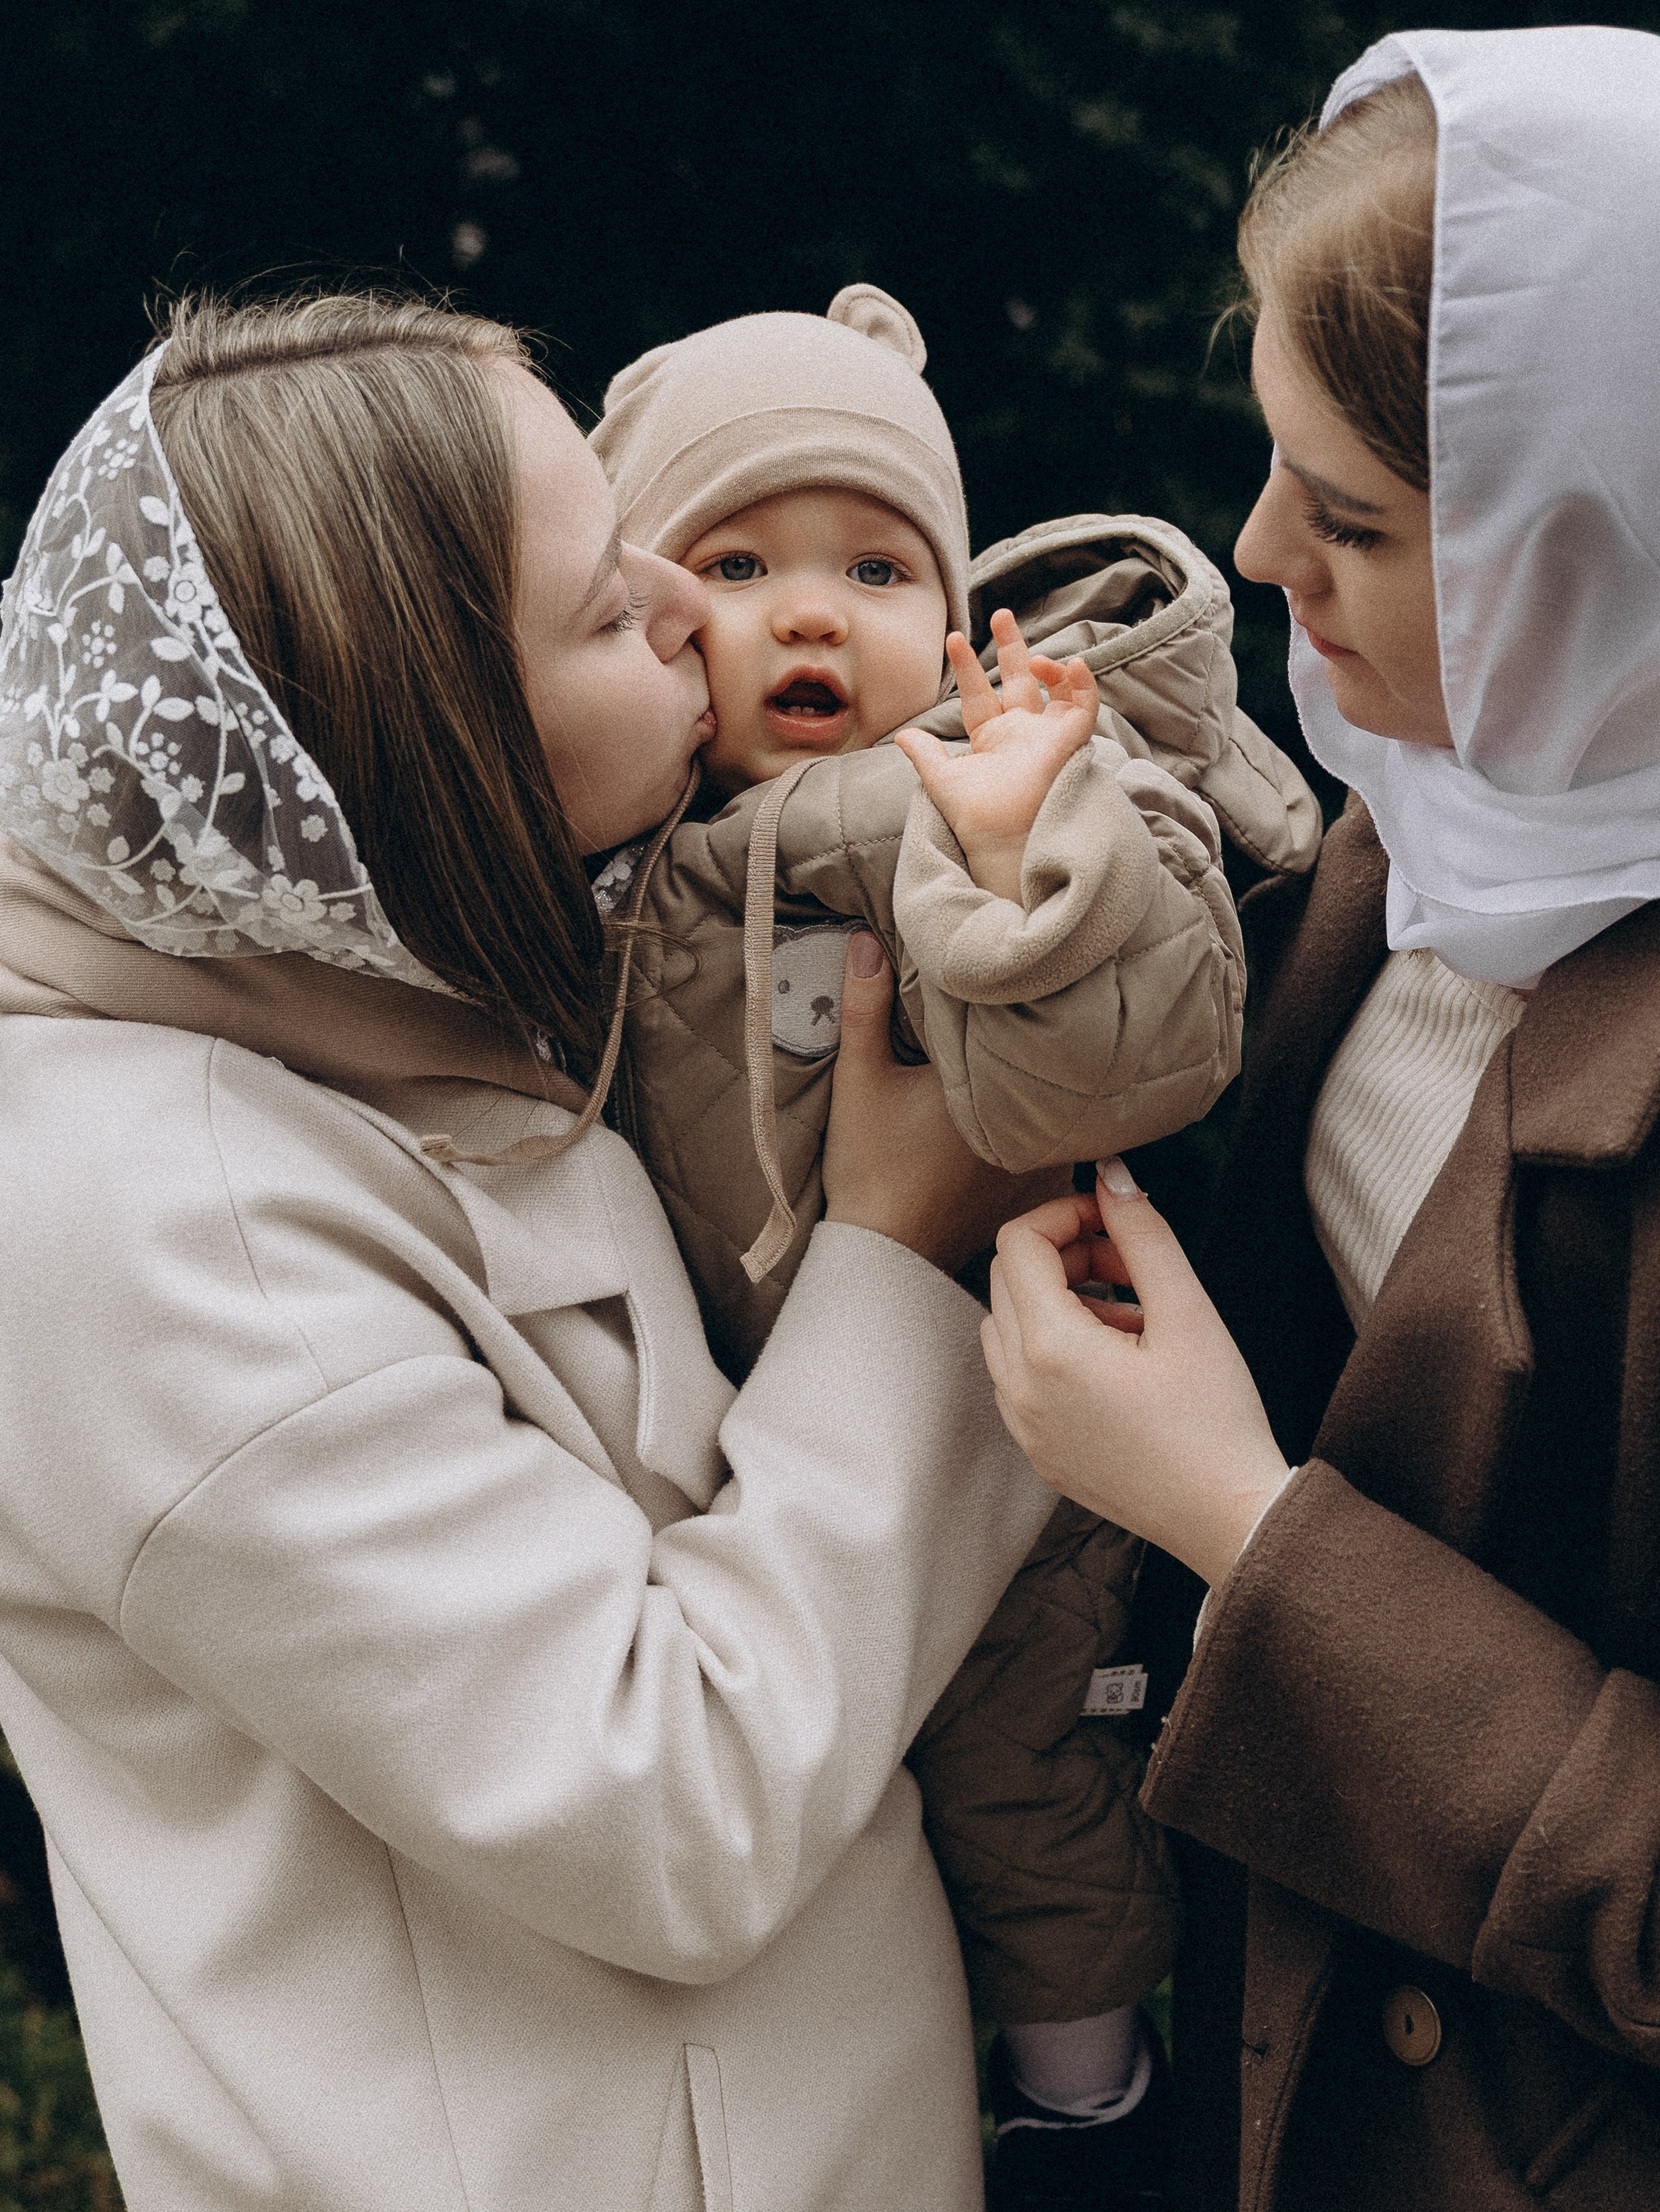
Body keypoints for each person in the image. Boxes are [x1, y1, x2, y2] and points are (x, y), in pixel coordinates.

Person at [0, 287, 1077, 2212]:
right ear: (416, 741)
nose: (693, 605)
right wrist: (906, 1252)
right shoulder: (158, 1229)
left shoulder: (382, 982)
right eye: (604, 605)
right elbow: (667, 1799)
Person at [978, 26, 1660, 2211]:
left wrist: (1244, 1531)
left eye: (1350, 513)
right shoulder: (1407, 816)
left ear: (1608, 546)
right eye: (1271, 463)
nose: (1258, 546)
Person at [589, 285, 1321, 2204]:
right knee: (805, 1792)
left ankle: (1092, 2103)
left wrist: (1025, 872)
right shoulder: (609, 855)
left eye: (878, 565)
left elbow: (1141, 1054)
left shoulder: (998, 785)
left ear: (955, 606)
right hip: (729, 1423)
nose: (814, 612)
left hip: (1012, 1416)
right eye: (739, 562)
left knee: (1017, 1763)